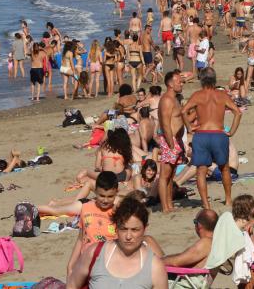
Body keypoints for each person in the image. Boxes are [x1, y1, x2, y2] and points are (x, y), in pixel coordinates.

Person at [67, 196, 168, 289]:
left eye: (134, 230)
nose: (128, 236)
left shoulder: (154, 267)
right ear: (115, 227)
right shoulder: (95, 253)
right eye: (123, 229)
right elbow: (72, 285)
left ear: (145, 229)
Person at [181, 67, 242, 210]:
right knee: (225, 168)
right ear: (214, 79)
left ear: (201, 79)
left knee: (201, 170)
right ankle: (228, 200)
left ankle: (206, 204)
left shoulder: (197, 95)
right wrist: (232, 131)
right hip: (218, 134)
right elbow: (238, 113)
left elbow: (183, 111)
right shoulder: (221, 95)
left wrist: (189, 128)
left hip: (201, 135)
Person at [66, 172, 120, 276]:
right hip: (85, 262)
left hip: (109, 263)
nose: (105, 200)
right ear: (95, 192)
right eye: (102, 195)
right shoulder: (86, 208)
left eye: (110, 196)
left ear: (116, 193)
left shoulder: (118, 212)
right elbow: (81, 238)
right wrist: (71, 264)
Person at [157, 71, 187, 213]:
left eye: (181, 82)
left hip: (176, 140)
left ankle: (170, 204)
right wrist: (171, 144)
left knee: (170, 176)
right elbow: (165, 123)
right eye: (178, 82)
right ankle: (165, 207)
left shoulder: (175, 99)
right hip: (170, 141)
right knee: (164, 175)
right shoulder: (167, 99)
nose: (181, 84)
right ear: (170, 84)